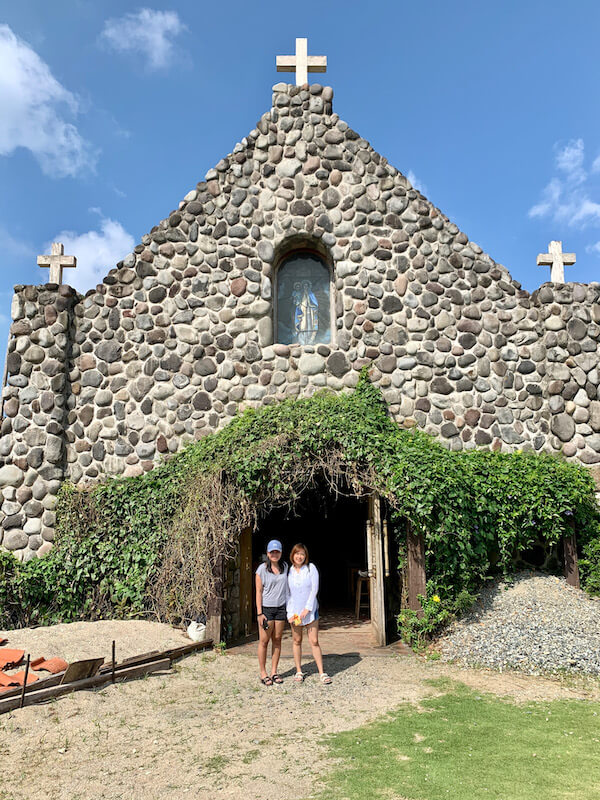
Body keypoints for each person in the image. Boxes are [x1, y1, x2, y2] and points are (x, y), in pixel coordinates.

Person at [286, 543, 332, 684]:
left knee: (314, 641)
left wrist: (307, 608)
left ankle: (321, 672)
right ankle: (299, 671)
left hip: (310, 612)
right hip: (296, 613)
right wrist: (290, 612)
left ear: (305, 556)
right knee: (297, 640)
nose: (299, 556)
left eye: (302, 554)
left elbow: (314, 589)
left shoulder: (310, 568)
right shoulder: (290, 571)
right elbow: (288, 594)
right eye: (297, 553)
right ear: (292, 555)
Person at [255, 539, 288, 686]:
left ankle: (274, 671)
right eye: (272, 552)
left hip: (281, 608)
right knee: (264, 641)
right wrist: (259, 613)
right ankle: (263, 673)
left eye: (277, 551)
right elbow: (258, 592)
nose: (274, 554)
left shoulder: (286, 567)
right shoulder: (261, 569)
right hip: (267, 609)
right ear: (267, 553)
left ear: (281, 553)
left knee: (277, 639)